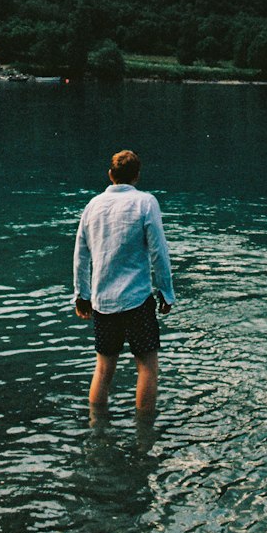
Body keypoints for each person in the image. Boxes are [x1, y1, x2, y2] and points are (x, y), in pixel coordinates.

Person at [73, 149, 175, 416]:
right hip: (137, 300)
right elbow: (158, 252)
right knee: (147, 367)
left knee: (104, 369)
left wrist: (81, 295)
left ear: (110, 175)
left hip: (102, 301)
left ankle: (97, 430)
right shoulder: (146, 202)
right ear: (137, 176)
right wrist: (166, 292)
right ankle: (144, 441)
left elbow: (81, 254)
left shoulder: (92, 205)